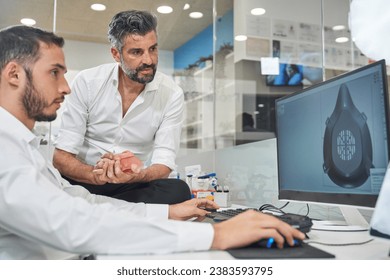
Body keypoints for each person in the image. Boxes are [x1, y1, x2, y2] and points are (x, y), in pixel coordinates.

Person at [0, 25, 305, 260]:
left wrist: (170, 212)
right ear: (14, 74)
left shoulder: (21, 146)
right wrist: (217, 236)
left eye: (153, 49)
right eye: (55, 73)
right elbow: (74, 222)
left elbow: (83, 204)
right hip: (73, 240)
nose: (65, 87)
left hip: (97, 213)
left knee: (177, 190)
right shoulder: (5, 149)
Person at [52, 10, 190, 204]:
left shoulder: (171, 94)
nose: (148, 60)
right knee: (53, 184)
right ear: (116, 54)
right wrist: (96, 175)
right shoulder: (87, 82)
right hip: (86, 178)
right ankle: (119, 209)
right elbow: (61, 158)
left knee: (179, 190)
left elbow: (164, 162)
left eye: (153, 49)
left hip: (132, 184)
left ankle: (93, 207)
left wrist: (136, 176)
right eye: (136, 52)